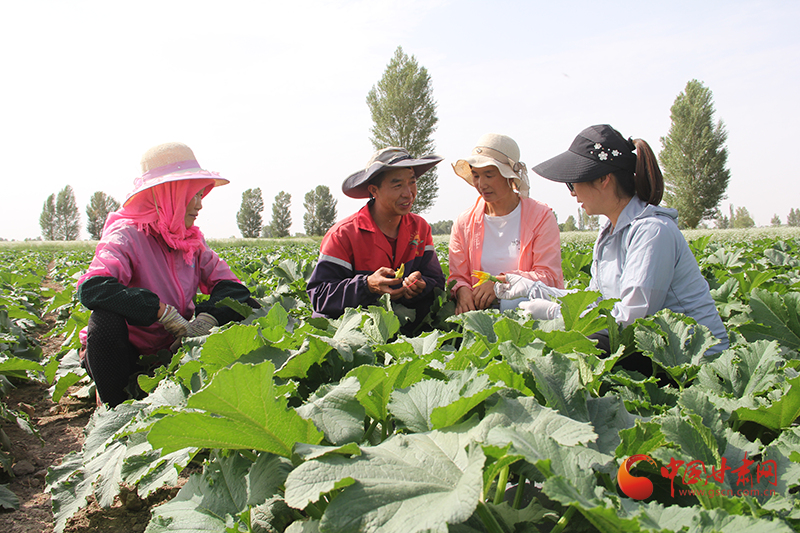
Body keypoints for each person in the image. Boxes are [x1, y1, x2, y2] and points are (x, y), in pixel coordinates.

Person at [497, 124, 729, 355]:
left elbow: (632, 318)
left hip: (693, 358)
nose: (572, 192)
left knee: (563, 350)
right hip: (651, 347)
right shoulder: (609, 233)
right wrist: (535, 289)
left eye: (573, 181)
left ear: (603, 179)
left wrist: (555, 313)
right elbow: (594, 301)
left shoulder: (652, 232)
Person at [77, 142, 255, 406]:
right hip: (124, 353)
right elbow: (92, 288)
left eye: (200, 196)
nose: (199, 205)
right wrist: (161, 311)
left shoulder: (191, 241)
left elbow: (232, 287)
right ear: (170, 195)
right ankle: (112, 404)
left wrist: (208, 318)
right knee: (104, 320)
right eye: (193, 195)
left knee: (245, 305)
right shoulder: (127, 236)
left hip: (171, 348)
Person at [307, 147, 446, 323]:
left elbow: (436, 282)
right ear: (374, 191)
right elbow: (319, 296)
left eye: (412, 182)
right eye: (397, 185)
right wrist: (367, 285)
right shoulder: (343, 234)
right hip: (351, 333)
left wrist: (420, 286)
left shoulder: (420, 228)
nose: (408, 193)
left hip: (402, 329)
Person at [449, 133, 563, 314]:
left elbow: (548, 277)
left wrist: (500, 283)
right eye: (476, 175)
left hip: (528, 314)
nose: (481, 184)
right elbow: (458, 276)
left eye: (489, 174)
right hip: (480, 314)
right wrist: (462, 291)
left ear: (509, 176)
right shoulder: (464, 223)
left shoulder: (541, 217)